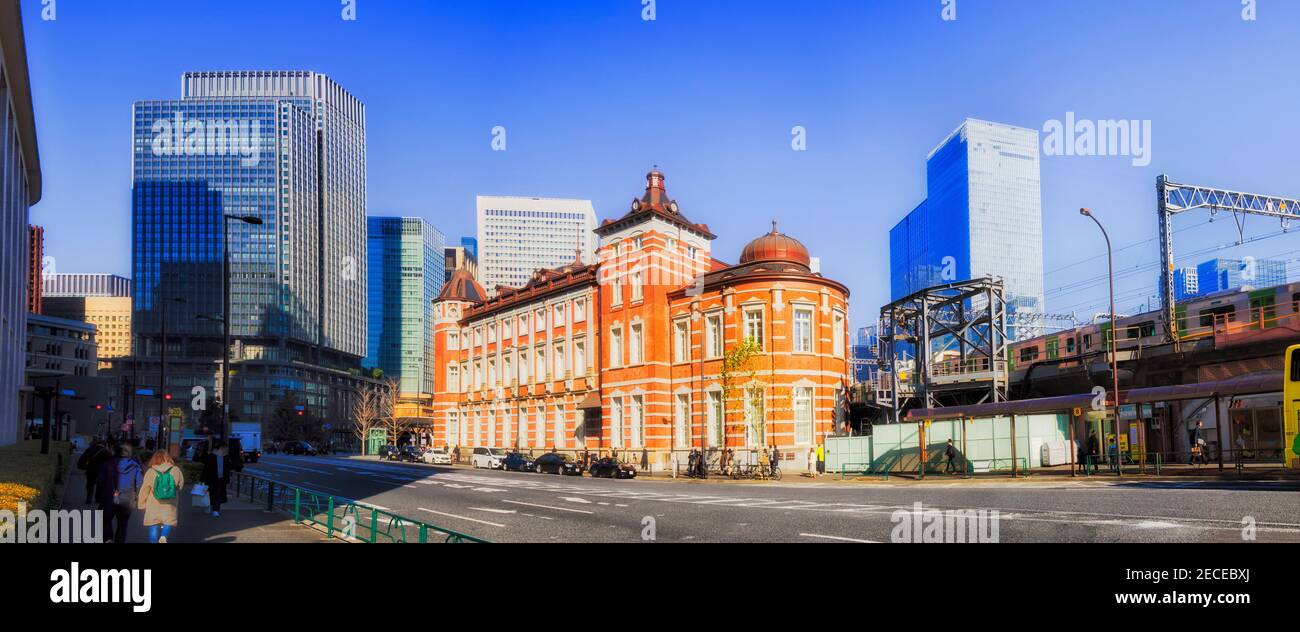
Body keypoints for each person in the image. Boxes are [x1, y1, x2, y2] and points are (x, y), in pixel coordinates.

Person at [95, 443, 142, 543]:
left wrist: (98, 497)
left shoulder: (107, 464)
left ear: (114, 452)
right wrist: (135, 497)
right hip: (126, 499)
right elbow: (139, 483)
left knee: (106, 520)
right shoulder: (134, 465)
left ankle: (108, 539)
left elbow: (100, 482)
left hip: (108, 498)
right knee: (122, 524)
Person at [138, 450, 185, 544]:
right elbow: (180, 486)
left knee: (153, 525)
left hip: (153, 504)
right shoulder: (176, 470)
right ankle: (163, 536)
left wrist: (141, 504)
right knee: (168, 521)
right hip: (170, 503)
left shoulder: (151, 471)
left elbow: (144, 489)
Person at [201, 441, 241, 517]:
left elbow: (230, 467)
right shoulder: (211, 456)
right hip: (211, 479)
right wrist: (202, 479)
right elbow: (206, 468)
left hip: (221, 479)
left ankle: (216, 510)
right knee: (211, 494)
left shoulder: (226, 457)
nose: (226, 449)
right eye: (225, 448)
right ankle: (210, 506)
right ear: (221, 448)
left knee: (218, 494)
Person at [77, 438, 111, 504]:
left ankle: (89, 498)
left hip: (91, 470)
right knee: (100, 485)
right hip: (102, 472)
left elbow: (82, 459)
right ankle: (98, 498)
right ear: (104, 445)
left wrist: (81, 466)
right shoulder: (107, 452)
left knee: (90, 484)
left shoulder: (90, 450)